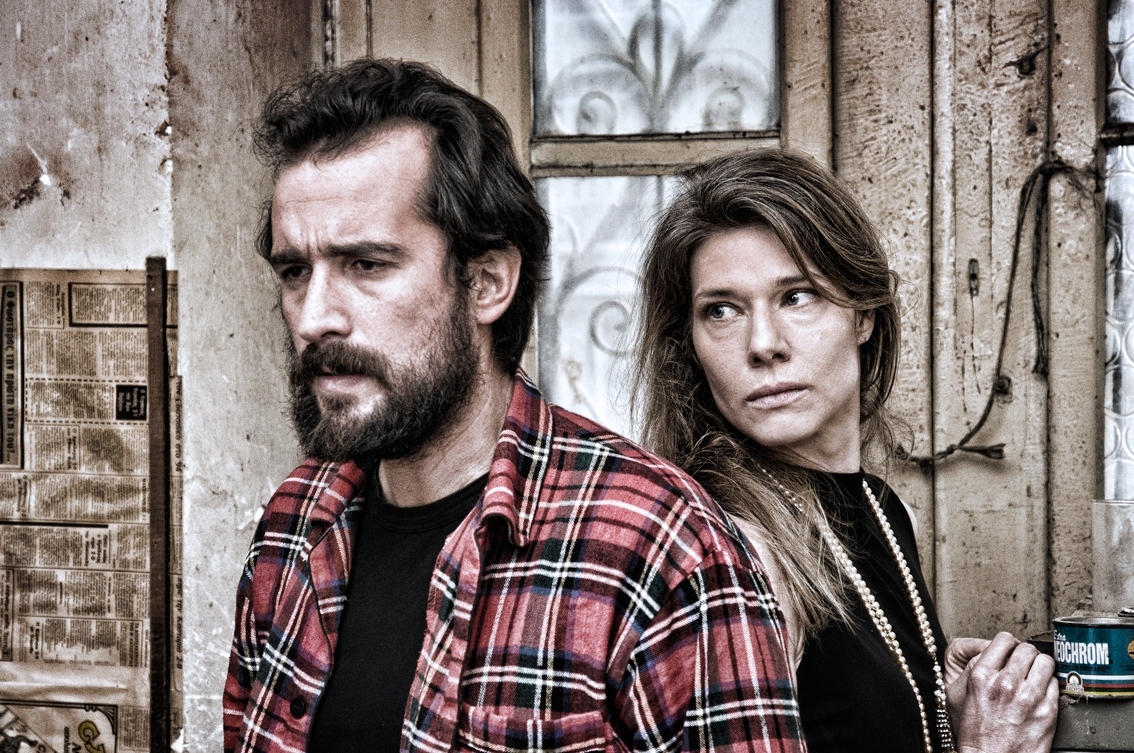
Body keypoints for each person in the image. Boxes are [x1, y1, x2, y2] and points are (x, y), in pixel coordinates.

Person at [222, 59, 805, 753]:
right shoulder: (294, 524)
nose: (315, 317)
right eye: (295, 271)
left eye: (366, 265)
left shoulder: (657, 546)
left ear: (488, 282)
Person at [634, 148, 1059, 753]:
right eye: (721, 311)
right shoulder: (730, 548)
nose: (763, 344)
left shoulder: (886, 510)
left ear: (864, 314)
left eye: (797, 296)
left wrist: (934, 706)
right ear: (691, 345)